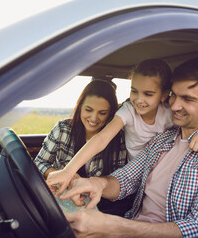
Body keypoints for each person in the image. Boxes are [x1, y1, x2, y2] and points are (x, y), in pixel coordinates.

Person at [61, 56, 198, 237]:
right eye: (173, 95)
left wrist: (114, 227)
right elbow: (126, 179)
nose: (174, 105)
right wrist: (97, 184)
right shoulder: (162, 140)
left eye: (187, 99)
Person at [47, 58, 198, 197]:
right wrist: (68, 171)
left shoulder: (170, 112)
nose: (139, 100)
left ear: (164, 95)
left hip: (157, 174)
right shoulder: (129, 111)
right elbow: (101, 138)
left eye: (148, 94)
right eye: (134, 91)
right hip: (132, 173)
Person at [34, 79, 131, 214]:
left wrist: (89, 185)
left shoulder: (118, 140)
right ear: (79, 107)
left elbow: (118, 180)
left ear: (111, 114)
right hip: (59, 199)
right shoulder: (62, 129)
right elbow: (38, 163)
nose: (93, 118)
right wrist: (64, 177)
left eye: (102, 113)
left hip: (97, 206)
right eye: (88, 110)